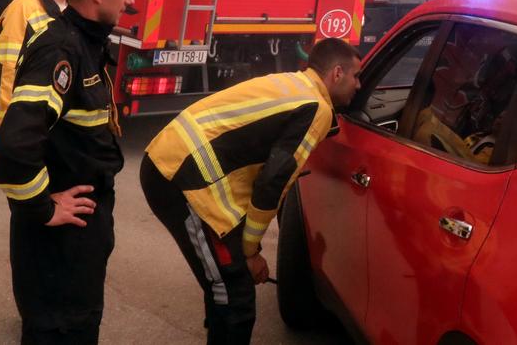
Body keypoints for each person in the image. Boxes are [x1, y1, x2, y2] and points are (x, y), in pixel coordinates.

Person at [142, 37, 362, 344]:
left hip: (174, 165)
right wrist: (251, 252)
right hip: (180, 180)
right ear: (337, 73)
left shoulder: (295, 84)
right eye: (356, 76)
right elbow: (272, 183)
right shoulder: (316, 108)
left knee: (225, 289)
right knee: (234, 296)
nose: (359, 85)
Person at [0, 0, 133, 345]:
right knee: (60, 330)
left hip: (79, 236)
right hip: (59, 244)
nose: (131, 1)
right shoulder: (61, 49)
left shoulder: (86, 44)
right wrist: (42, 208)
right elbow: (16, 147)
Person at [0, 0, 77, 138]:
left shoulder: (73, 13)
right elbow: (8, 75)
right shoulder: (22, 10)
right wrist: (18, 132)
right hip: (22, 134)